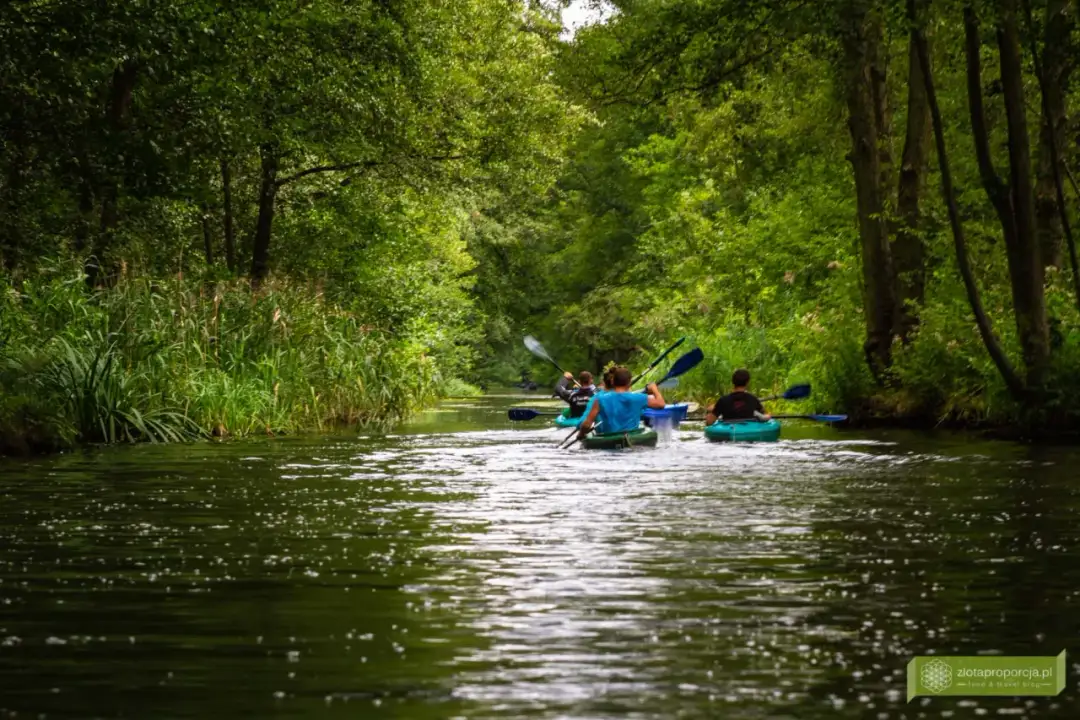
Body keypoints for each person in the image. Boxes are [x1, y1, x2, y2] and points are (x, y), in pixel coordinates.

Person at [578, 366, 665, 436]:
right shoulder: (639, 398)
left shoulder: (599, 399)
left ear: (613, 382)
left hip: (608, 439)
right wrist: (654, 389)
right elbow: (661, 404)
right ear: (629, 382)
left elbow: (586, 425)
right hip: (631, 437)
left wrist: (581, 434)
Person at [705, 368, 771, 424]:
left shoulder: (723, 400)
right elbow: (765, 415)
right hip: (748, 432)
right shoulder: (753, 399)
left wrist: (709, 411)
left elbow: (709, 421)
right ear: (747, 382)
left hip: (728, 432)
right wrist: (769, 415)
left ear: (733, 382)